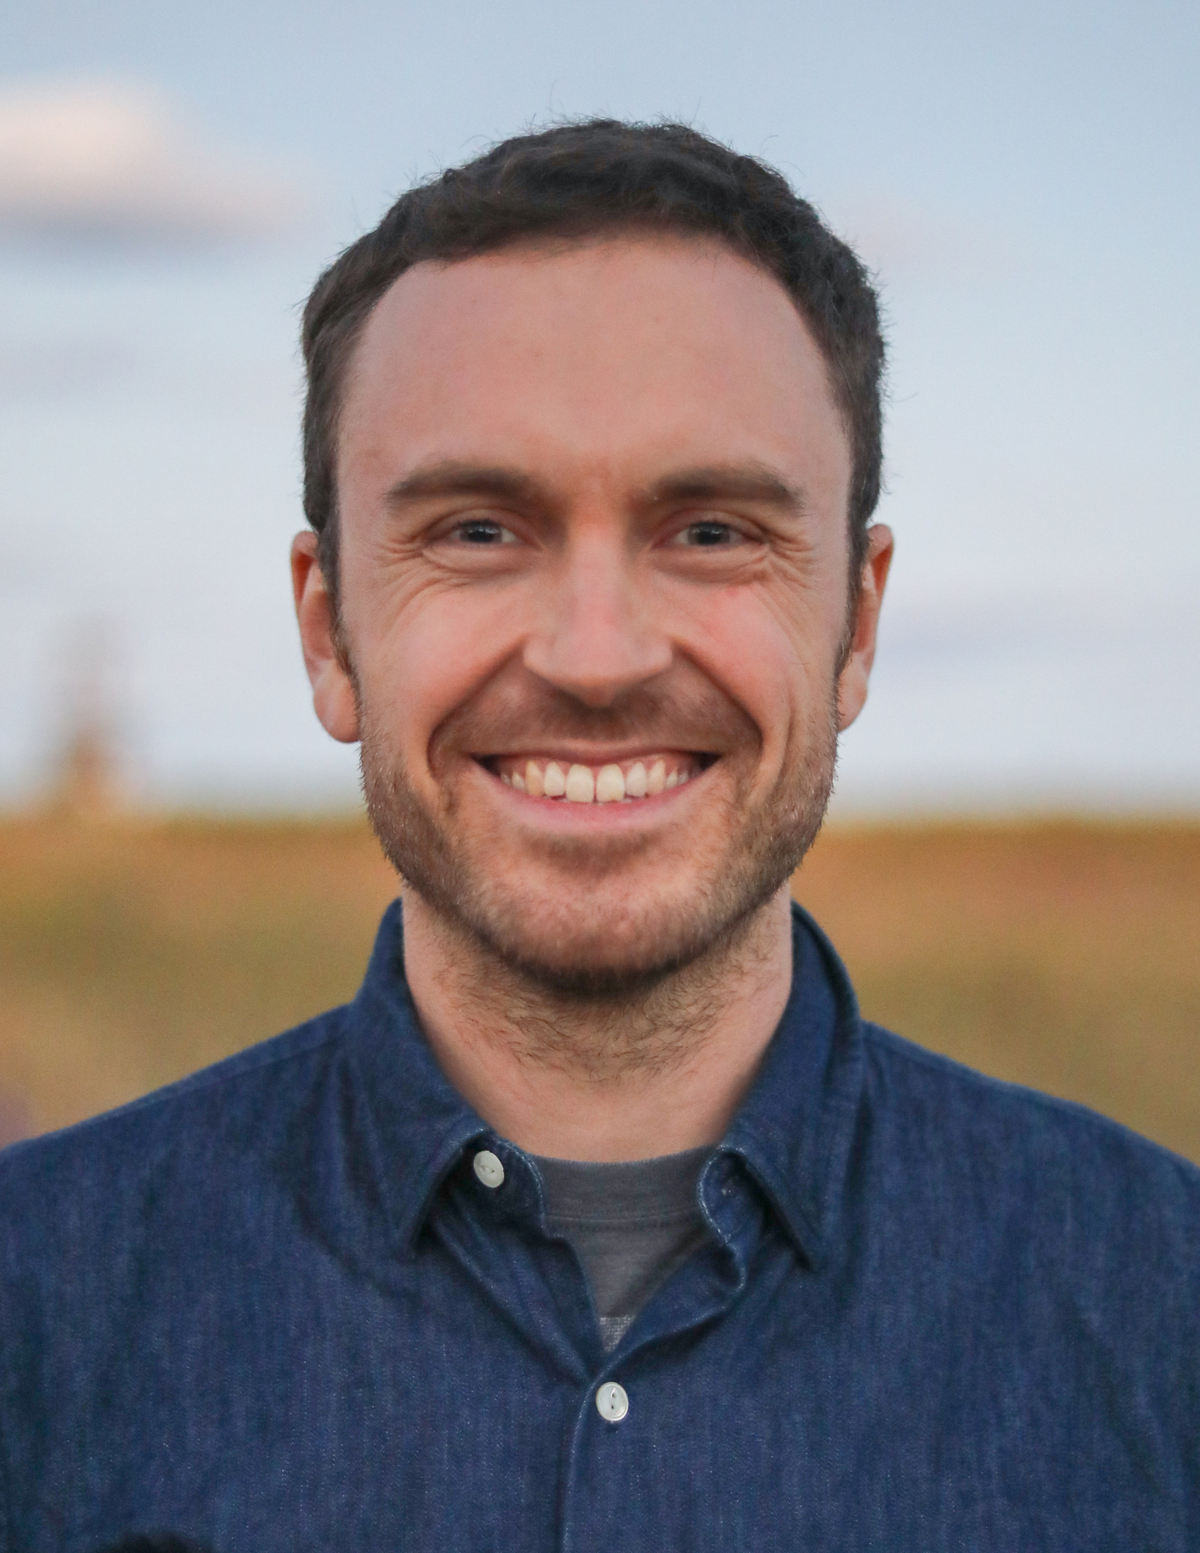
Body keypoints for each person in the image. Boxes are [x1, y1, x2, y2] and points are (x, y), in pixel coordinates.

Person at [0, 120, 1196, 1551]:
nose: (595, 656)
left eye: (709, 532)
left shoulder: (1159, 1303)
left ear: (859, 626)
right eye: (478, 530)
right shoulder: (39, 1307)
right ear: (328, 632)